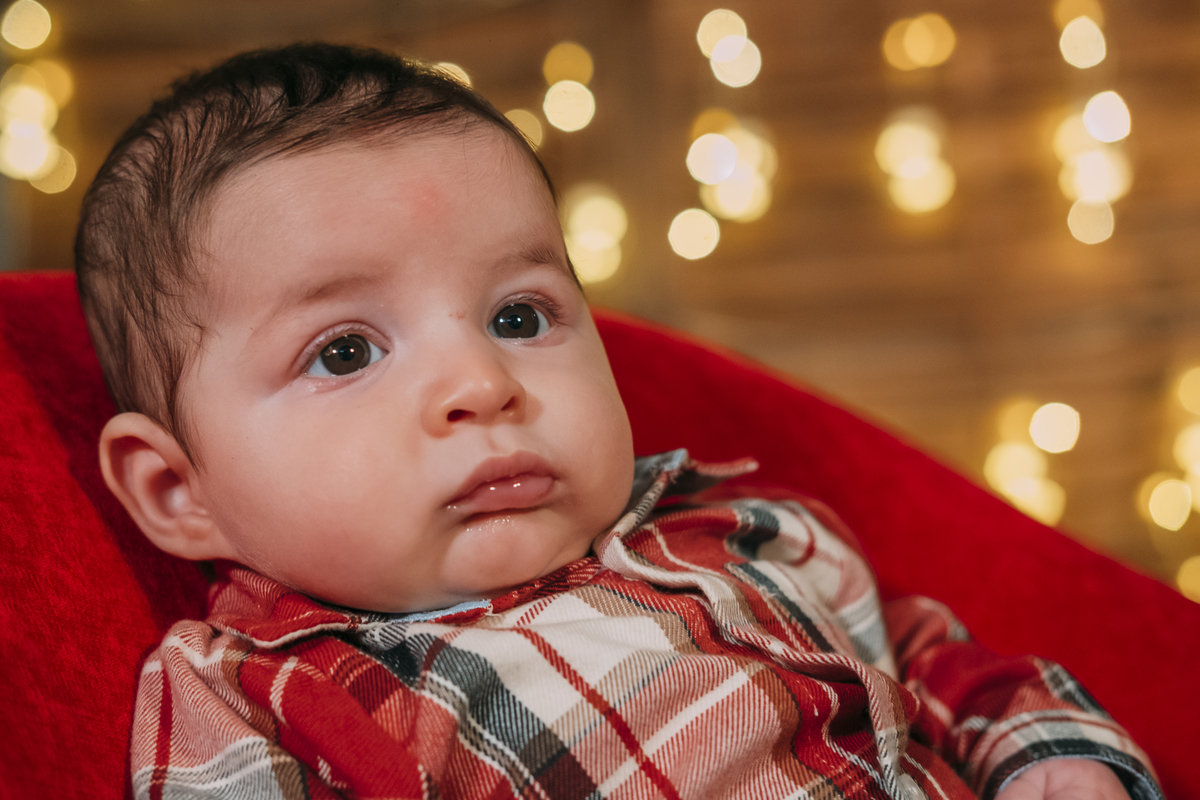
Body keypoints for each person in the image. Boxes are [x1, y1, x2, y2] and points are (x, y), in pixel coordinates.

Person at [75, 43, 1160, 800]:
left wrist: (1050, 756)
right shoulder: (265, 693)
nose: (482, 381)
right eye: (346, 350)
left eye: (518, 314)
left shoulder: (741, 528)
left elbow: (942, 665)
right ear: (181, 489)